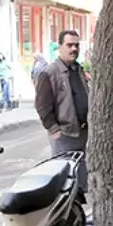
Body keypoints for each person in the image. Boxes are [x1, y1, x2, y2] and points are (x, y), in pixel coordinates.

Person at [34, 30, 91, 189]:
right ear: (60, 47)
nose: (74, 49)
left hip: (82, 133)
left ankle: (78, 212)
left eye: (76, 45)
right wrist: (54, 129)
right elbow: (42, 105)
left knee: (80, 182)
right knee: (65, 182)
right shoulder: (49, 73)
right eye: (69, 45)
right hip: (64, 136)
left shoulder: (78, 70)